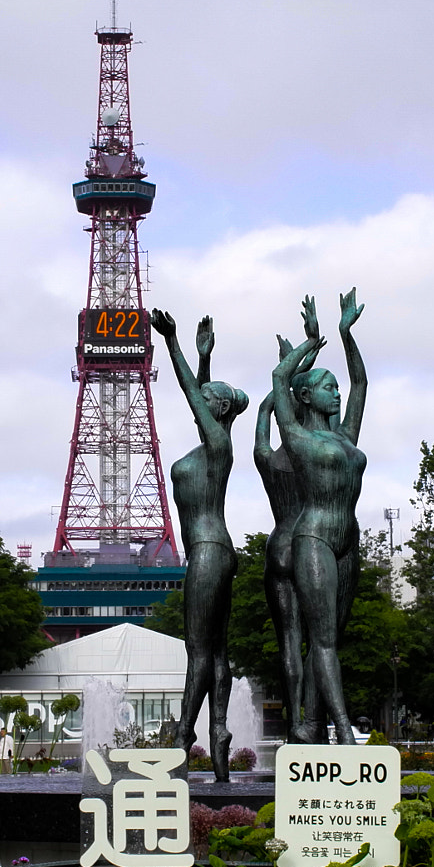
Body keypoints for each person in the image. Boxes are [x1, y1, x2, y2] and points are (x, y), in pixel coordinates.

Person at [150, 309, 249, 781]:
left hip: (208, 550)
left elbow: (194, 397)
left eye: (209, 400)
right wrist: (204, 359)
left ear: (220, 412)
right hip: (216, 550)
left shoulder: (218, 448)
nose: (198, 401)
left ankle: (184, 736)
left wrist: (172, 343)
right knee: (216, 653)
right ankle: (220, 731)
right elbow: (201, 399)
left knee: (198, 653)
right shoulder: (213, 447)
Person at [270, 291, 368, 745]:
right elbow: (278, 376)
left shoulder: (346, 436)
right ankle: (343, 734)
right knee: (323, 640)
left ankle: (311, 725)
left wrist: (346, 334)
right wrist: (309, 344)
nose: (336, 390)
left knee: (329, 641)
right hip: (314, 539)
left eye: (335, 385)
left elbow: (361, 385)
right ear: (306, 395)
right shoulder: (296, 438)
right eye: (327, 385)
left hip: (349, 540)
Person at [253, 336, 321, 741]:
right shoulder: (310, 452)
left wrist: (286, 375)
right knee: (320, 642)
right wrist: (302, 366)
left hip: (278, 545)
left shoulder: (268, 458)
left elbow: (267, 407)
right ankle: (313, 723)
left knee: (289, 642)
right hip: (310, 544)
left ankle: (294, 720)